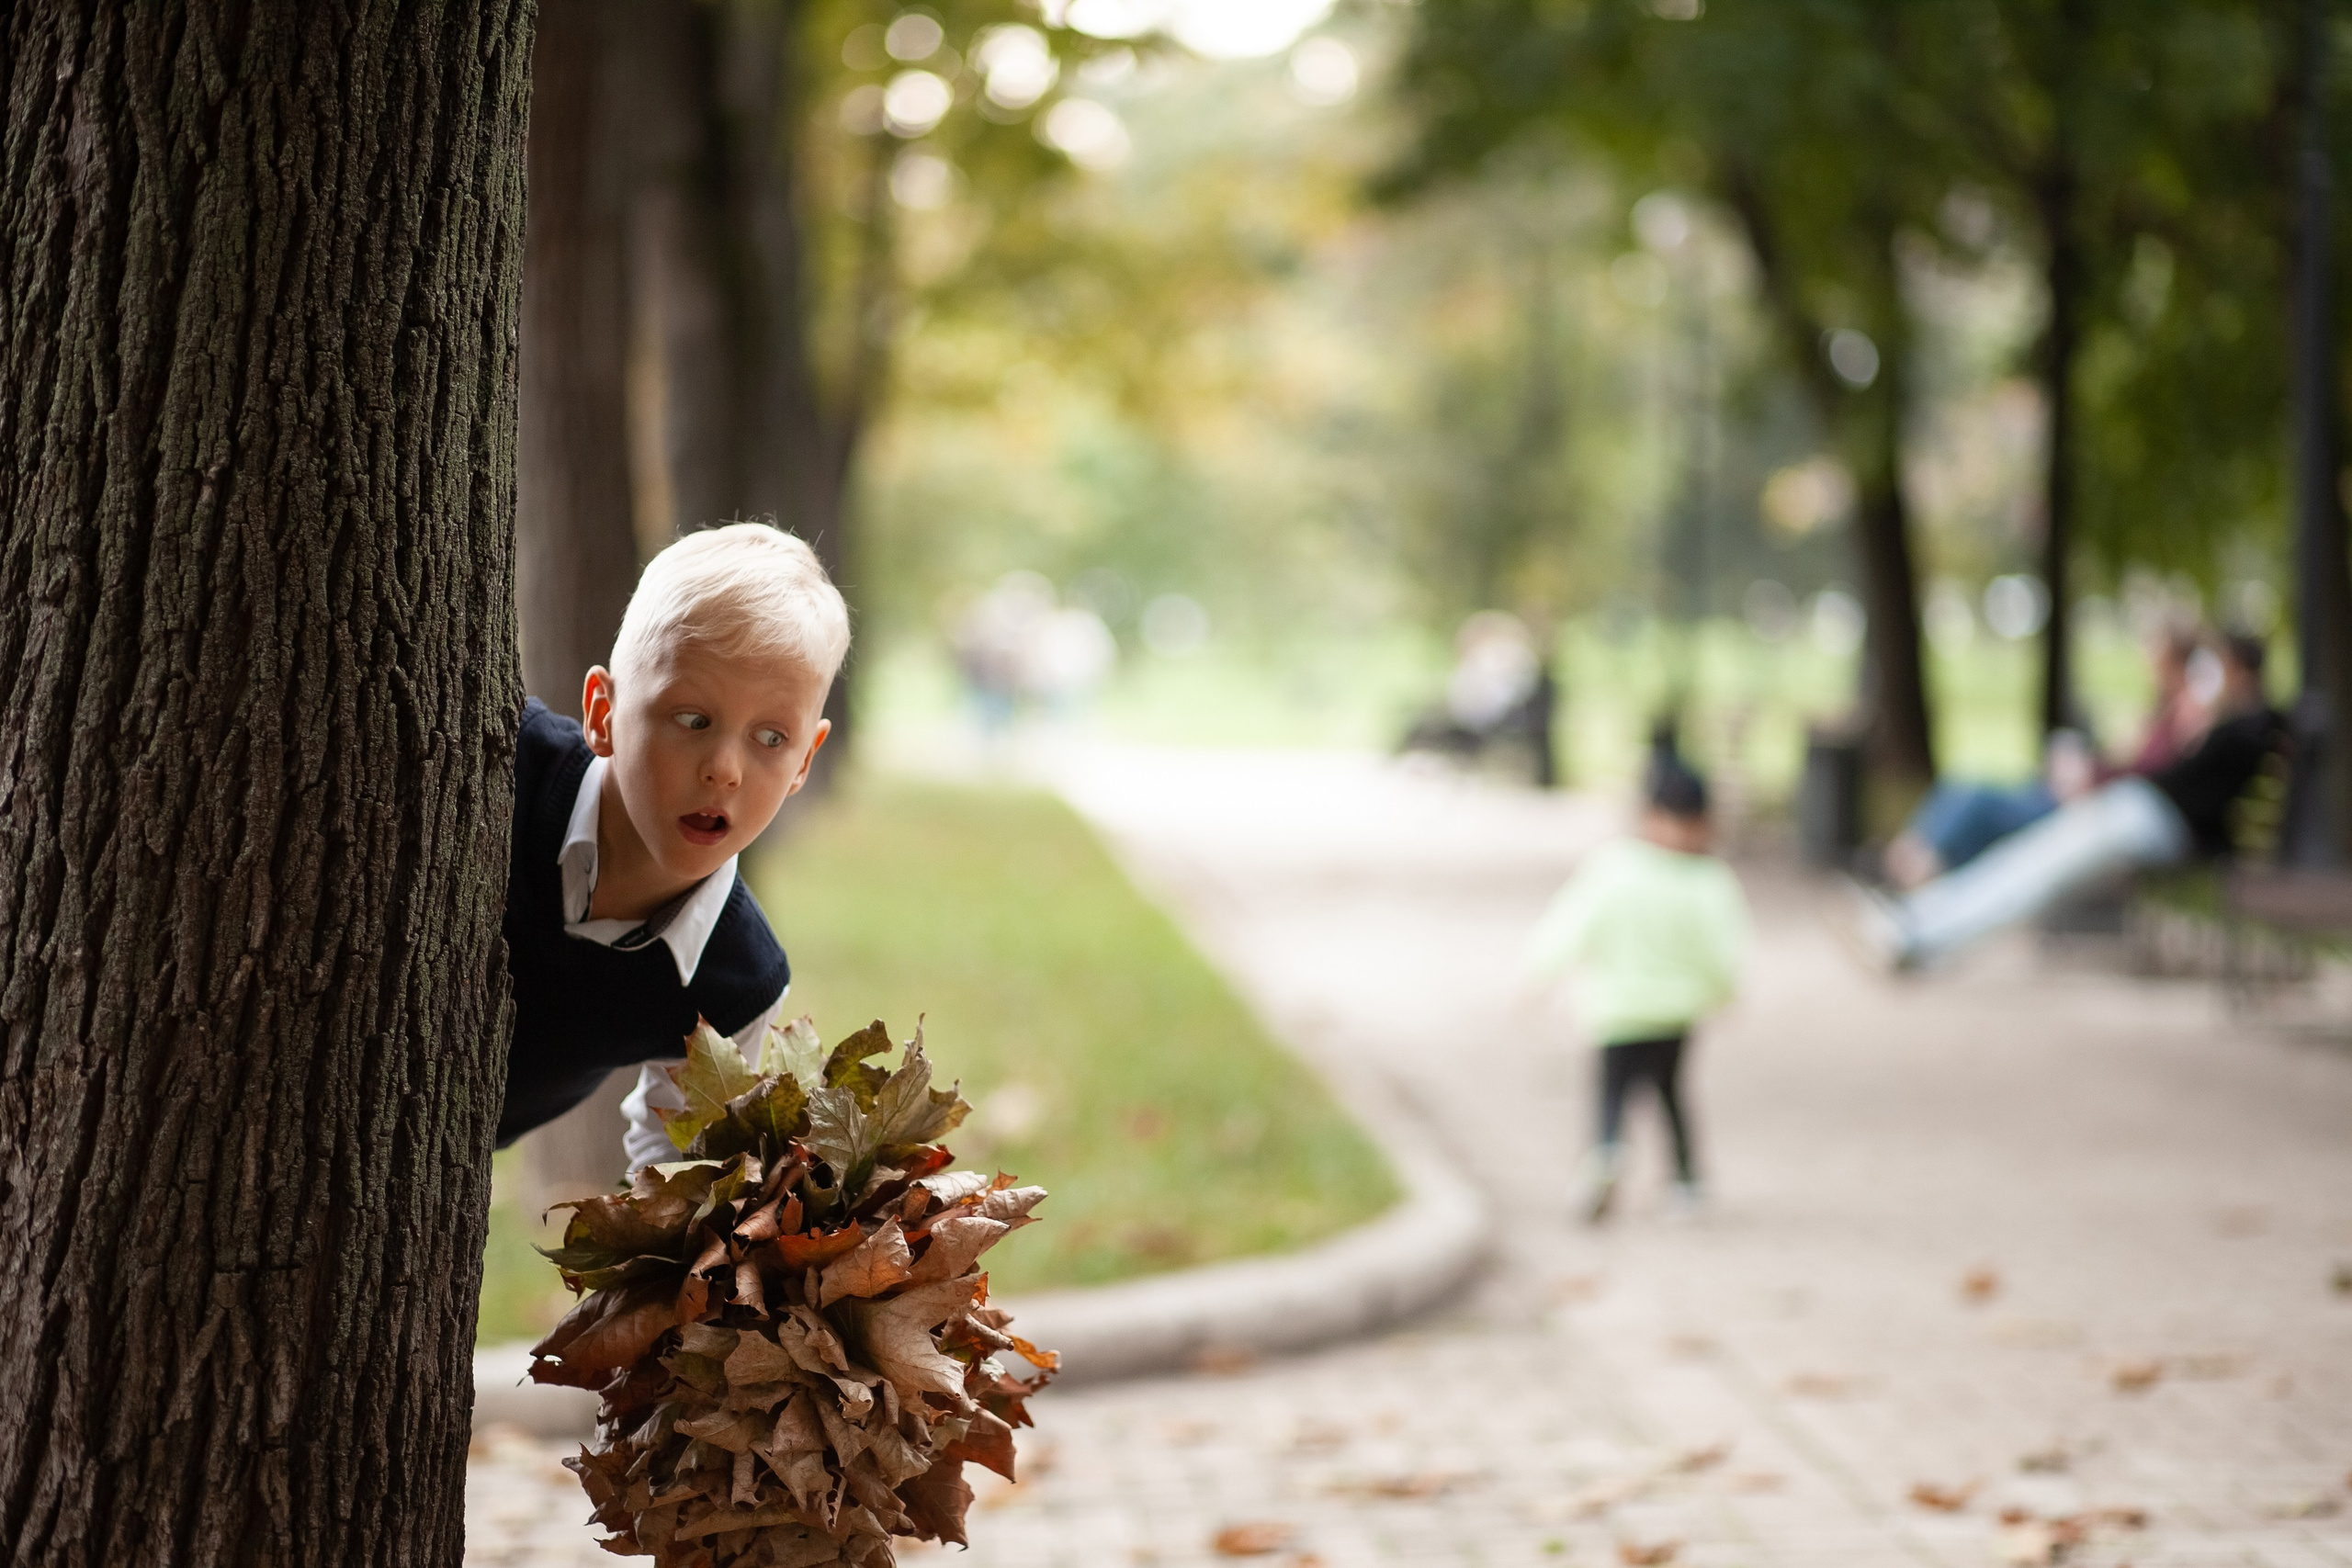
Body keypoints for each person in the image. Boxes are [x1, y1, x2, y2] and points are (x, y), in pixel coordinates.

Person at [496, 524, 849, 1172]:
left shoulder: (737, 982)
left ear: (805, 761)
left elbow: (673, 1173)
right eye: (693, 720)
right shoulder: (503, 772)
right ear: (603, 713)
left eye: (770, 738)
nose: (724, 770)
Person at [1859, 632, 2284, 971]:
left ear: (2236, 670)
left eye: (2214, 668)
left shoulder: (2246, 725)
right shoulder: (2231, 724)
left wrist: (2106, 771)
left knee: (2033, 870)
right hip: (2137, 810)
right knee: (2024, 860)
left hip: (2149, 821)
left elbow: (2176, 781)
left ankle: (1917, 933)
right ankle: (1914, 921)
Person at [1523, 758, 1750, 1222]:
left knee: (1612, 1091)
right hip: (1675, 1011)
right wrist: (1726, 992)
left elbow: (1572, 922)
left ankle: (1606, 1154)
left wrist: (1539, 974)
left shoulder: (1613, 868)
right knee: (1671, 1093)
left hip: (1617, 1009)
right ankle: (1686, 1182)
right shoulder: (1709, 881)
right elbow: (1723, 948)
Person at [1883, 626, 2206, 889]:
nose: (2147, 663)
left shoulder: (2185, 717)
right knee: (1965, 785)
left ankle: (1913, 870)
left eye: (2156, 656)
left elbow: (2151, 777)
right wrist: (2085, 765)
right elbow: (2124, 762)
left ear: (2175, 662)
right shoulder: (2156, 712)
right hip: (2081, 795)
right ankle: (1915, 865)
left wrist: (2091, 778)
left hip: (2088, 807)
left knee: (1977, 798)